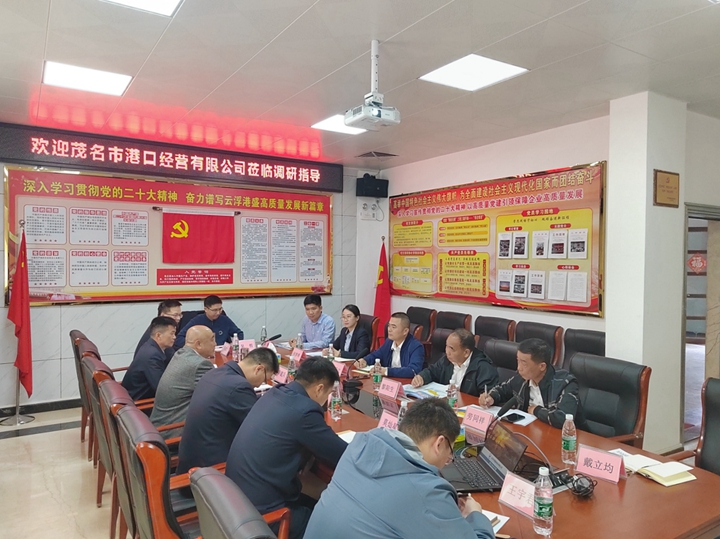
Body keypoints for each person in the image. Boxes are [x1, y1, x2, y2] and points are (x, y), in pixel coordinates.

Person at [304, 398, 495, 539]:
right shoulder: (427, 491)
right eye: (450, 453)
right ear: (439, 444)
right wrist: (475, 515)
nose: (448, 460)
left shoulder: (359, 445)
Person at [225, 358, 347, 539]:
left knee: (316, 503)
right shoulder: (305, 411)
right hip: (263, 515)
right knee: (335, 527)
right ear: (319, 388)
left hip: (236, 500)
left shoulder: (275, 393)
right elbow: (341, 454)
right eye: (328, 393)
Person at [175, 347, 278, 475]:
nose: (260, 384)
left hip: (191, 457)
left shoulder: (216, 372)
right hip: (210, 469)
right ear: (259, 369)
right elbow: (259, 429)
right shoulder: (239, 387)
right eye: (264, 379)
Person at [479, 338, 588, 429]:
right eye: (518, 361)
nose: (519, 368)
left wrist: (536, 410)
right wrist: (491, 397)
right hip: (531, 432)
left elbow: (563, 419)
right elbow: (502, 389)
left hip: (566, 439)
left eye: (524, 363)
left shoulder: (566, 383)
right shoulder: (522, 378)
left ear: (542, 366)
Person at [149, 325, 216, 439]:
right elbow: (217, 393)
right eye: (212, 340)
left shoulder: (180, 354)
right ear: (198, 344)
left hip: (158, 426)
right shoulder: (200, 364)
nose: (215, 344)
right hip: (172, 431)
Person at [411, 329, 499, 396]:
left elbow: (488, 393)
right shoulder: (447, 359)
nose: (447, 352)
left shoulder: (483, 366)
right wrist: (421, 377)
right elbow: (432, 371)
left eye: (452, 348)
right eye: (446, 346)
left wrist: (487, 397)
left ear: (466, 353)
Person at [121, 316, 176, 400]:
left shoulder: (149, 346)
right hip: (139, 402)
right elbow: (160, 389)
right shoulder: (152, 356)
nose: (174, 337)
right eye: (171, 333)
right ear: (158, 335)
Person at [356, 312, 424, 378]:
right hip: (389, 381)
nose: (389, 330)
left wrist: (387, 371)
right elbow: (376, 355)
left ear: (405, 331)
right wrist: (365, 360)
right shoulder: (389, 342)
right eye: (389, 326)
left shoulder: (416, 346)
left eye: (393, 327)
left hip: (406, 383)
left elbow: (413, 370)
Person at [175, 295, 243, 348]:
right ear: (206, 309)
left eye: (220, 309)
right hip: (203, 354)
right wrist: (195, 345)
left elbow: (239, 333)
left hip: (221, 353)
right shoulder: (196, 321)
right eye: (215, 310)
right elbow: (179, 339)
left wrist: (234, 343)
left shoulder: (224, 319)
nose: (218, 313)